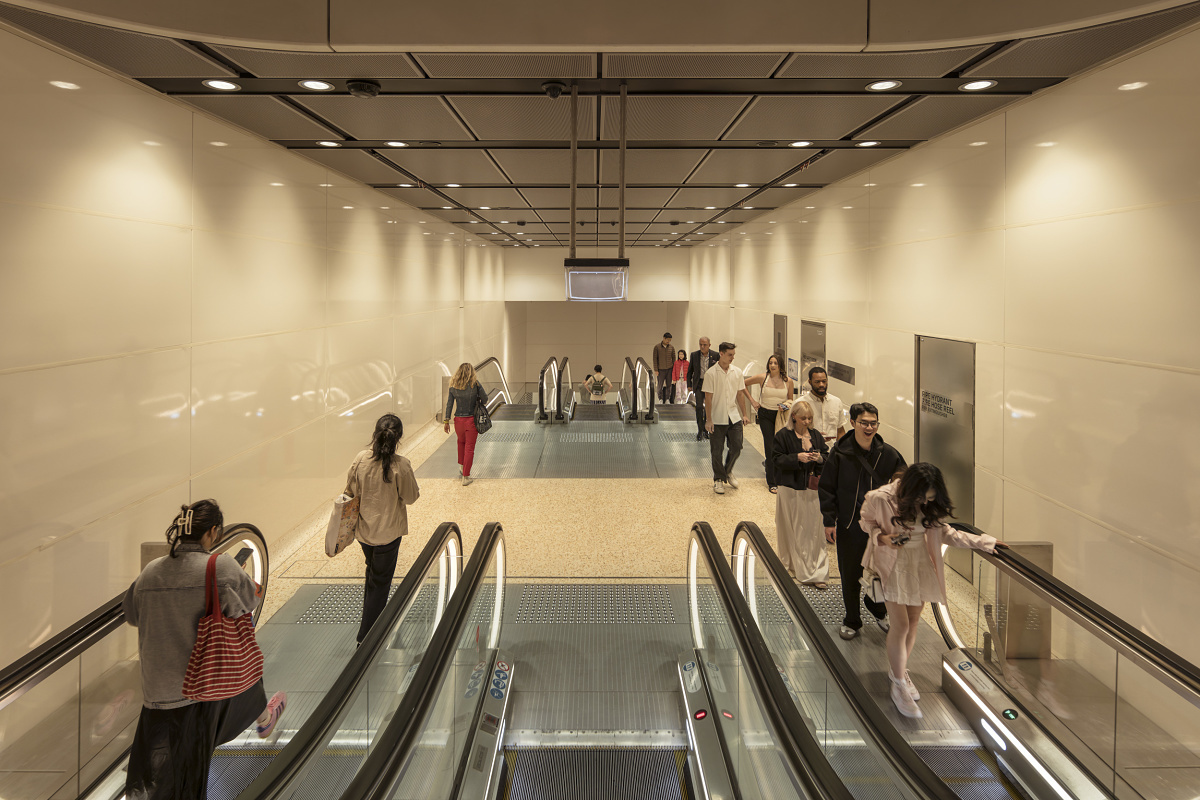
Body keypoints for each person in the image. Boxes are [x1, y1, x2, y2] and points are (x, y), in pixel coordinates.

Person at [123, 500, 286, 800]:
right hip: (200, 692)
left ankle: (265, 715)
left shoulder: (149, 573)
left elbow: (132, 615)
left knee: (163, 779)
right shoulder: (220, 566)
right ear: (211, 532)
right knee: (188, 783)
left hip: (157, 696)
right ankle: (265, 717)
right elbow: (249, 601)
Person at [860, 463, 1005, 718]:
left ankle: (899, 671)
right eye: (921, 497)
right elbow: (866, 523)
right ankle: (898, 685)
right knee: (901, 624)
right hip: (893, 565)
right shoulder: (880, 498)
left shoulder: (929, 504)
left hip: (920, 564)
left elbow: (947, 533)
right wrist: (882, 538)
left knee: (914, 621)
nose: (924, 502)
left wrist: (984, 542)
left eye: (929, 498)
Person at [818, 402, 906, 640]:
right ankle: (852, 620)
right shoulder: (839, 453)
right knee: (850, 573)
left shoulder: (888, 454)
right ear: (853, 423)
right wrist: (829, 520)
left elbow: (903, 483)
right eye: (864, 423)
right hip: (850, 524)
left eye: (873, 423)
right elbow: (827, 488)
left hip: (881, 527)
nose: (869, 427)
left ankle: (878, 609)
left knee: (883, 572)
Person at [346, 414, 420, 643]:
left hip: (364, 533)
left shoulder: (361, 459)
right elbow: (410, 497)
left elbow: (349, 490)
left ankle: (373, 622)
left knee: (372, 572)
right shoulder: (401, 464)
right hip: (388, 535)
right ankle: (367, 638)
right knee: (380, 582)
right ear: (398, 437)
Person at [773, 402, 830, 587]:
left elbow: (827, 458)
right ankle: (794, 564)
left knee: (813, 530)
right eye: (804, 418)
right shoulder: (783, 435)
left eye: (810, 418)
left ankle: (817, 569)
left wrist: (819, 458)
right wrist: (796, 457)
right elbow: (775, 459)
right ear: (794, 416)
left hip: (811, 490)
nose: (807, 421)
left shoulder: (815, 436)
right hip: (790, 489)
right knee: (792, 527)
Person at [703, 342, 759, 494]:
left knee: (737, 447)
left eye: (733, 355)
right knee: (717, 450)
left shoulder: (737, 372)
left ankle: (727, 471)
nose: (732, 358)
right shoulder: (711, 374)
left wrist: (745, 414)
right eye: (730, 355)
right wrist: (708, 420)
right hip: (716, 417)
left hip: (733, 417)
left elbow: (740, 394)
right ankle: (718, 479)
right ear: (721, 354)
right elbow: (708, 398)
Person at [744, 354, 795, 493]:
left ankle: (779, 473)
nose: (772, 365)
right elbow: (743, 384)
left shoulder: (788, 381)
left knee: (780, 446)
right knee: (770, 445)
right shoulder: (763, 377)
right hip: (765, 414)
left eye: (775, 363)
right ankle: (772, 481)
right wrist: (753, 401)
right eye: (770, 363)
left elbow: (790, 400)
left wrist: (785, 406)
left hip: (780, 416)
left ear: (780, 366)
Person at [444, 362, 489, 486]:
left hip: (458, 420)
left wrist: (446, 421)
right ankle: (466, 476)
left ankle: (461, 466)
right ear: (471, 372)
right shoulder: (475, 384)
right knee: (469, 448)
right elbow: (485, 399)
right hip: (471, 420)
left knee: (461, 442)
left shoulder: (453, 386)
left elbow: (449, 404)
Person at [800, 367, 847, 447]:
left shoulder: (836, 402)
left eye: (824, 381)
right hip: (808, 452)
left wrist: (840, 450)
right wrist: (814, 438)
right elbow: (792, 432)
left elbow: (840, 430)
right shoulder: (800, 403)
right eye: (817, 382)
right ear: (810, 382)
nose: (821, 385)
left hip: (831, 452)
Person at [688, 337, 719, 441]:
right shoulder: (694, 355)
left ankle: (707, 430)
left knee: (709, 408)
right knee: (699, 407)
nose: (702, 346)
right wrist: (689, 385)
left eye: (704, 345)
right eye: (700, 344)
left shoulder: (715, 355)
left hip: (711, 384)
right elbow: (690, 371)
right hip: (699, 383)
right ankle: (700, 430)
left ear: (709, 345)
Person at [652, 332, 676, 404]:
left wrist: (674, 370)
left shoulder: (671, 347)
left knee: (669, 385)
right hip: (660, 369)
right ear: (664, 338)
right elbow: (655, 359)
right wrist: (656, 369)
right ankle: (660, 398)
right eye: (667, 339)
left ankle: (667, 399)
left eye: (670, 340)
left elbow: (674, 358)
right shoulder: (657, 347)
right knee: (660, 385)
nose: (668, 341)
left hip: (669, 369)